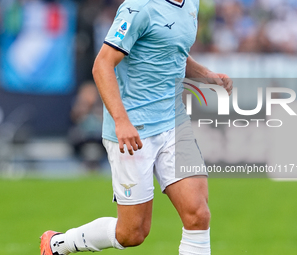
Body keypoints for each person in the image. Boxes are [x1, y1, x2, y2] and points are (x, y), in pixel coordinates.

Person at [40, 0, 232, 254]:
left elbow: (172, 50)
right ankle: (59, 244)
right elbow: (102, 65)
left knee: (198, 214)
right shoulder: (139, 7)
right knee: (132, 233)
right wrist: (121, 121)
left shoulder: (191, 4)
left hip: (174, 123)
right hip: (134, 129)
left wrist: (206, 75)